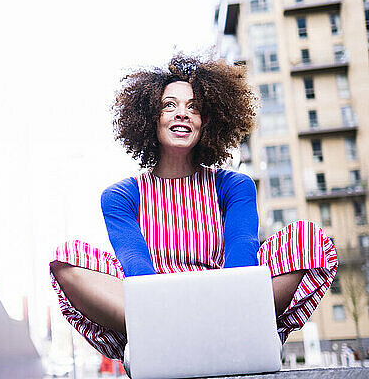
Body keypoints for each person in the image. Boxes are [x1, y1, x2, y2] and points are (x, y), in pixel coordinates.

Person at [49, 54, 338, 364]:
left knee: (310, 239)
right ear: (150, 117)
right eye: (169, 105)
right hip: (155, 311)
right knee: (66, 259)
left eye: (194, 107)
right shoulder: (121, 195)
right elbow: (138, 272)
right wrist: (170, 314)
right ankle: (173, 338)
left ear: (207, 122)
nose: (182, 114)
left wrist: (217, 308)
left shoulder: (234, 186)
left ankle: (226, 332)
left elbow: (242, 261)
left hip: (227, 306)